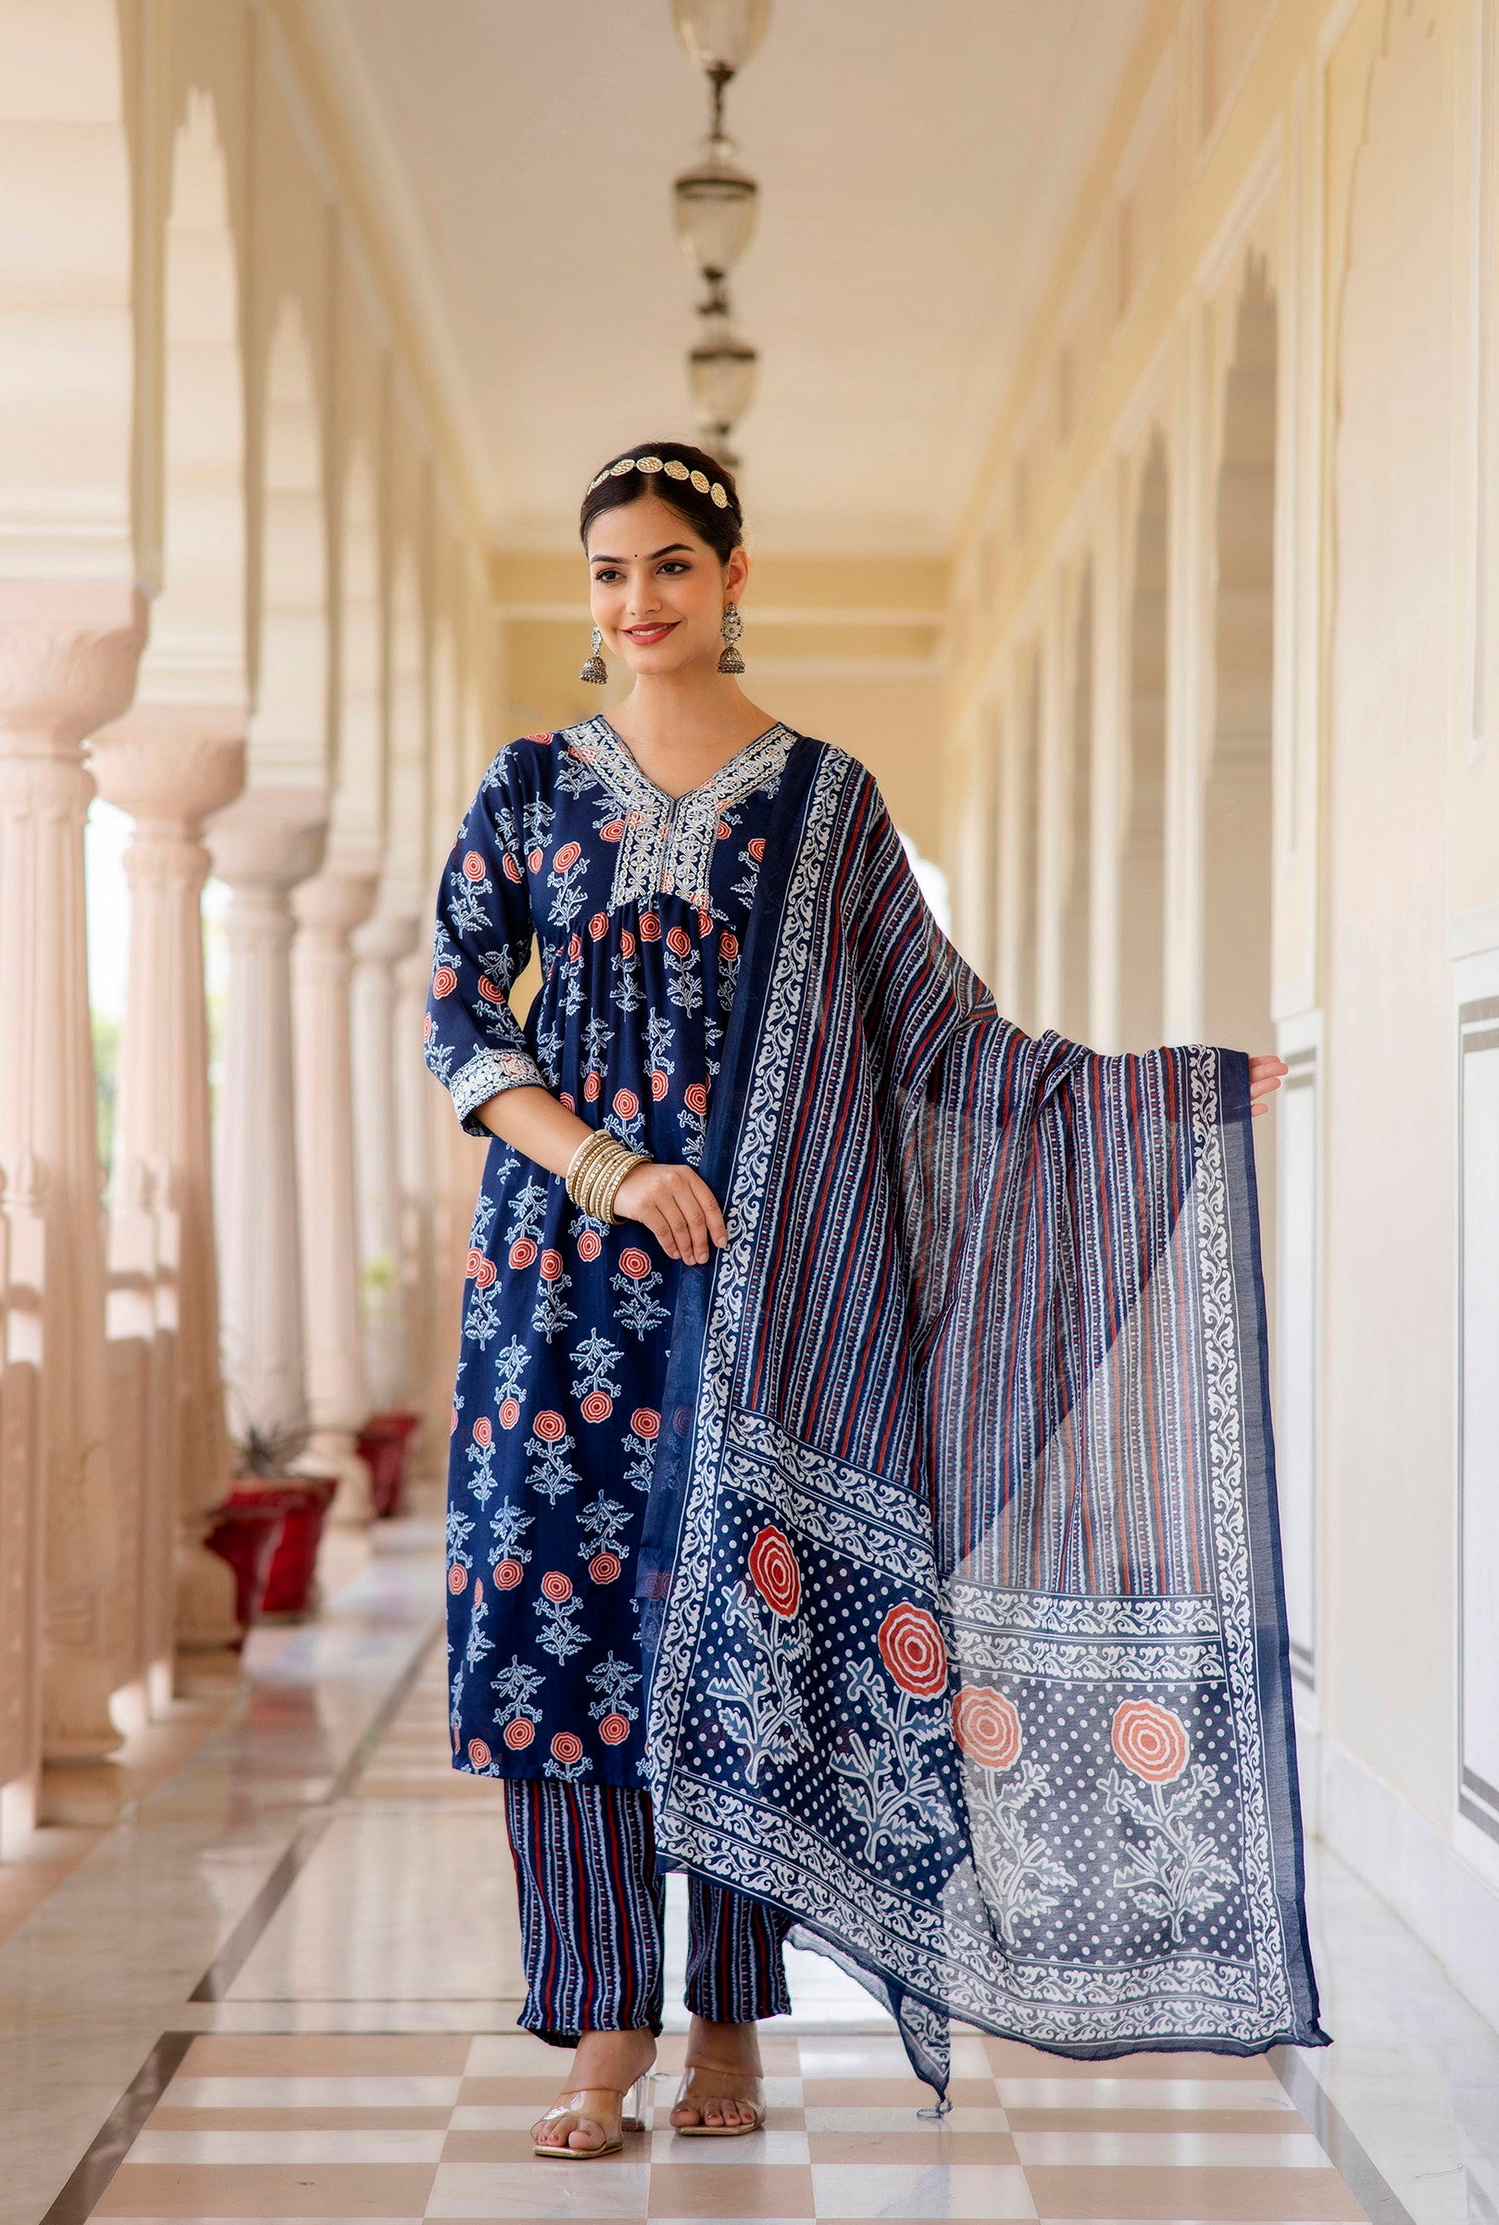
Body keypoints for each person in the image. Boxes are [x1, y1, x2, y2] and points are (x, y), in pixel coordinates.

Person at [424, 439, 1316, 2159]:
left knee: (742, 1633)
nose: (637, 601)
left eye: (671, 565)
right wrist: (607, 1168)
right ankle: (600, 2032)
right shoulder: (532, 788)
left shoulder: (823, 805)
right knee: (562, 1632)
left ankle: (727, 2023)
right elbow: (463, 1016)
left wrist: (1156, 1095)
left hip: (766, 1297)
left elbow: (950, 1036)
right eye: (609, 573)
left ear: (732, 578)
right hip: (559, 1294)